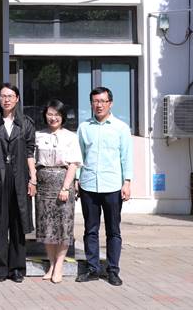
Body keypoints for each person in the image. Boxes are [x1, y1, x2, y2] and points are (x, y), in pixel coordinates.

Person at [75, 86, 133, 287]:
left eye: (102, 101)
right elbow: (79, 156)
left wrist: (127, 182)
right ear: (91, 104)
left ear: (110, 103)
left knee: (113, 231)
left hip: (113, 186)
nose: (99, 105)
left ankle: (113, 270)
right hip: (88, 186)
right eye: (95, 101)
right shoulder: (84, 127)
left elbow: (126, 157)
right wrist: (76, 179)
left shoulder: (121, 128)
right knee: (90, 230)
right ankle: (93, 269)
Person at [0, 83, 36, 283]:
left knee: (18, 224)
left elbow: (30, 152)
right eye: (3, 96)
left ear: (17, 98)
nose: (6, 100)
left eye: (10, 96)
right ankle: (1, 269)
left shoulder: (26, 123)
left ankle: (17, 268)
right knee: (0, 224)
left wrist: (33, 178)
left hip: (19, 178)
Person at [34, 99, 82, 284]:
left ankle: (59, 265)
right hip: (43, 184)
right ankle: (51, 263)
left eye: (57, 114)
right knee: (46, 225)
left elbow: (73, 164)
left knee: (63, 225)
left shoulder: (70, 136)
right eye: (50, 114)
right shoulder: (38, 135)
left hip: (62, 183)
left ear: (62, 117)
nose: (53, 118)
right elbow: (32, 160)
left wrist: (66, 187)